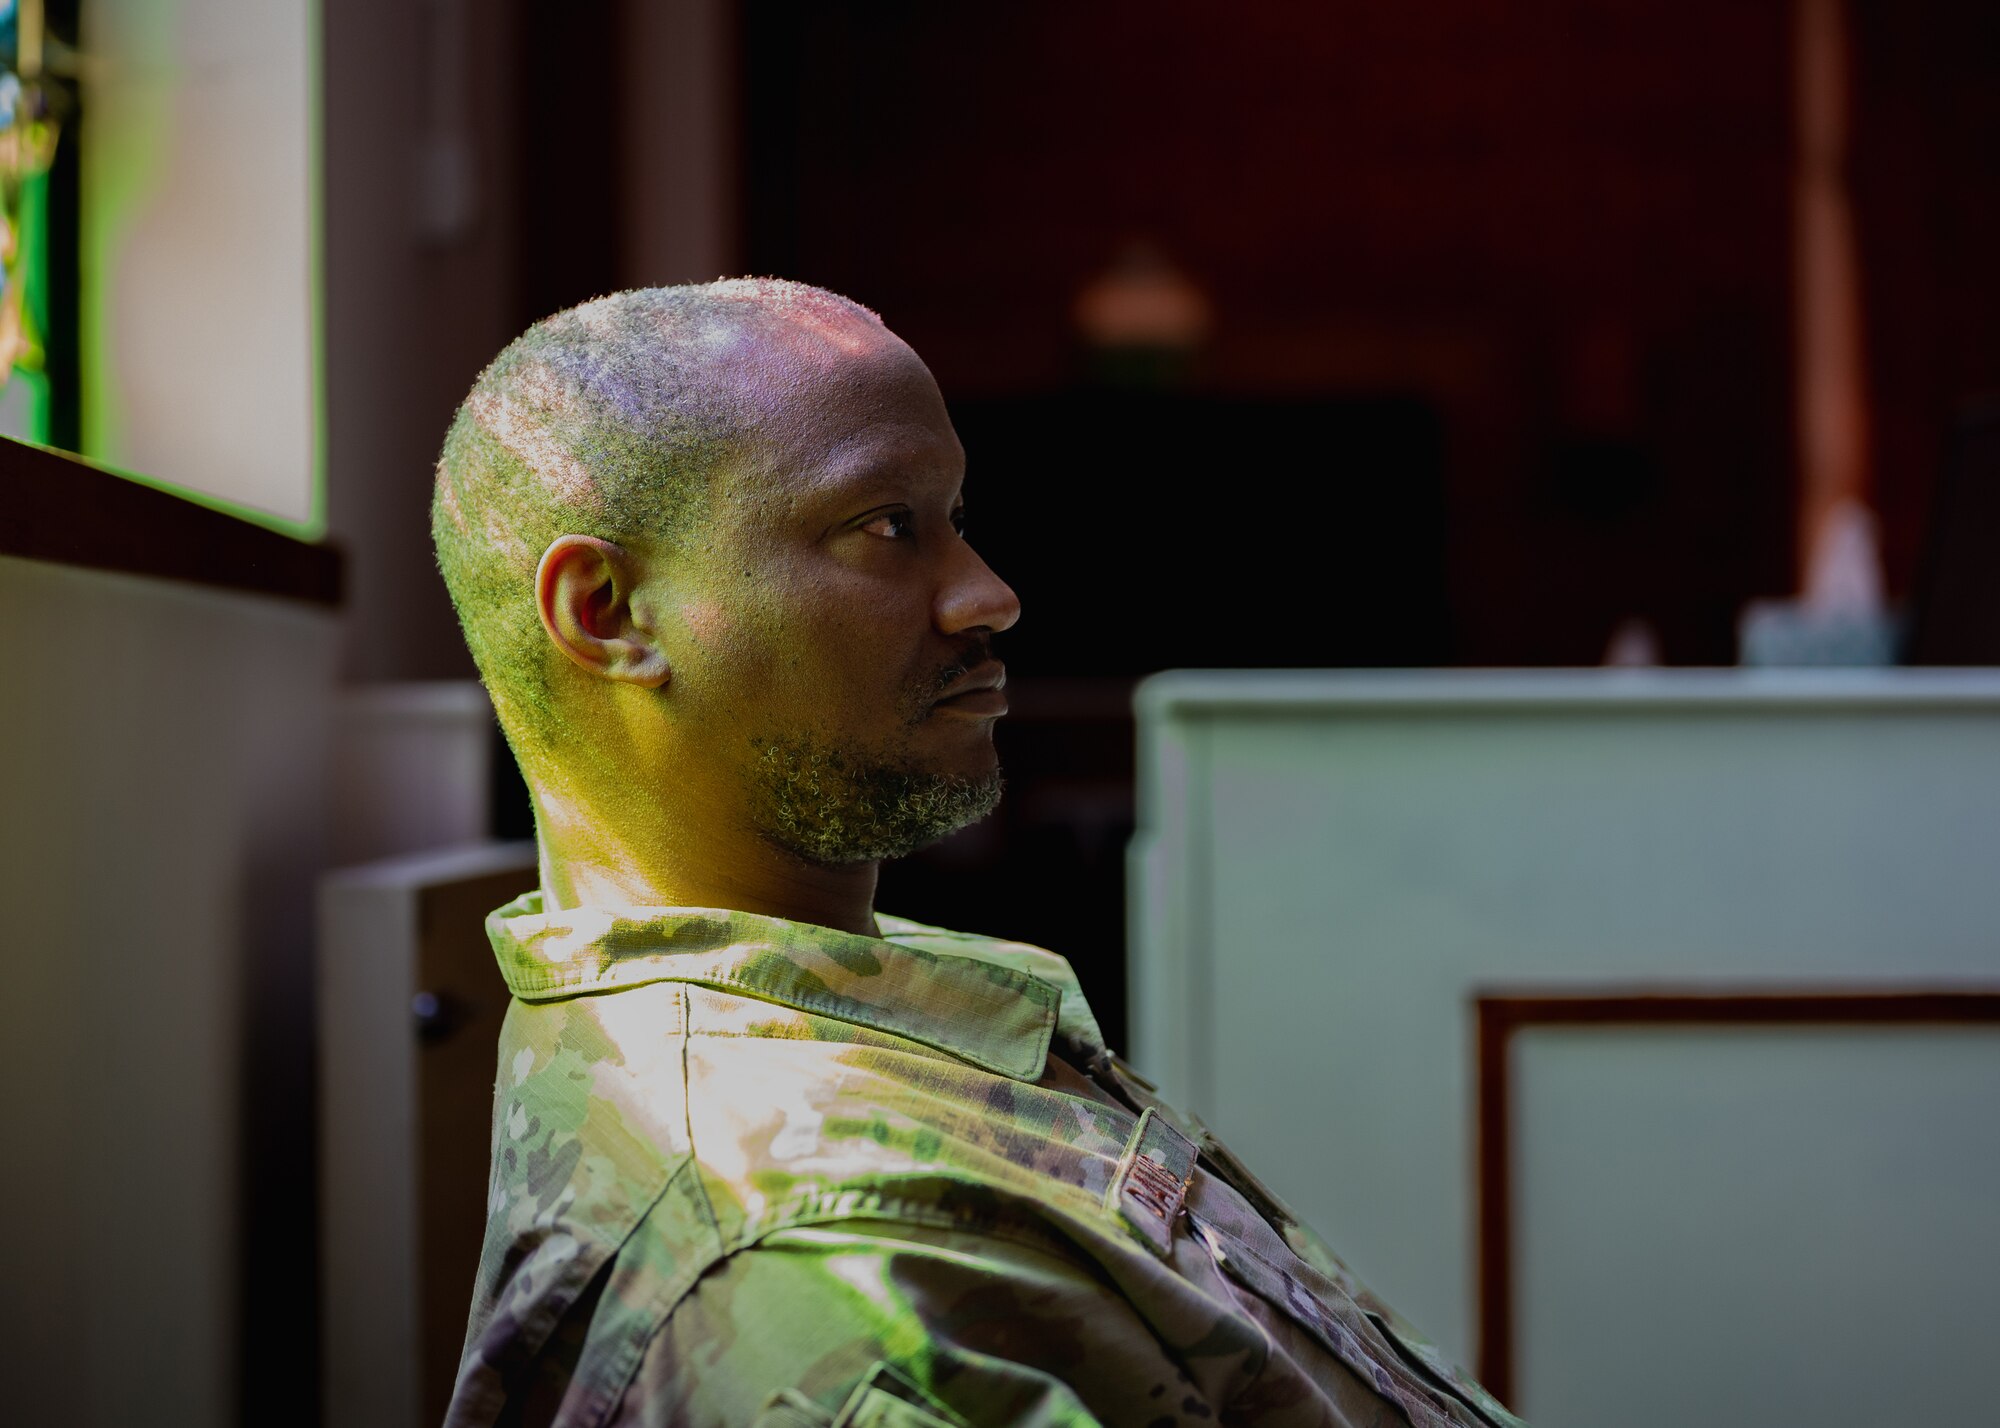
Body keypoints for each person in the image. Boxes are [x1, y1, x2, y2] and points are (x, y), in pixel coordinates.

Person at [431, 279, 1523, 1428]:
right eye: (886, 526)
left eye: (956, 518)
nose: (988, 596)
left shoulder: (867, 990)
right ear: (607, 612)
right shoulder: (809, 1283)